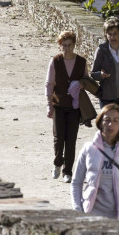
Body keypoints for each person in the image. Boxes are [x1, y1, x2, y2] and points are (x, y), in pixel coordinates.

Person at [71, 103, 119, 225]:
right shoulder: (88, 148)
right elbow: (76, 182)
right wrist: (77, 209)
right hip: (93, 215)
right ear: (100, 122)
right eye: (107, 120)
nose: (111, 124)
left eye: (116, 120)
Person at [46, 31, 90, 183]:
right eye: (63, 45)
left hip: (74, 106)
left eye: (69, 45)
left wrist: (80, 84)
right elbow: (49, 84)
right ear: (60, 46)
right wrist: (49, 105)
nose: (66, 48)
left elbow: (86, 81)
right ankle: (58, 163)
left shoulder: (81, 62)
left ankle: (68, 171)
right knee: (59, 138)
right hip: (58, 105)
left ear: (74, 45)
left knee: (71, 139)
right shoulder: (55, 62)